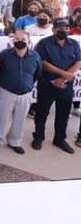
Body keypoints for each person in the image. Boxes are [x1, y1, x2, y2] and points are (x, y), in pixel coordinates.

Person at [0, 31, 41, 155]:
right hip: (6, 92)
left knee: (20, 119)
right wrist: (2, 84)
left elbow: (37, 73)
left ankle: (15, 141)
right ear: (13, 40)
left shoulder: (35, 56)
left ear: (29, 41)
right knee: (0, 117)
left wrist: (27, 85)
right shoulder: (3, 55)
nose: (20, 41)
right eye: (17, 39)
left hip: (25, 94)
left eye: (23, 39)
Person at [33, 18, 81, 153]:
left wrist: (63, 78)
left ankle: (59, 139)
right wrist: (62, 74)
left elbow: (78, 62)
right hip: (47, 83)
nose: (64, 30)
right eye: (61, 28)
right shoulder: (44, 43)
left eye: (67, 28)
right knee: (42, 112)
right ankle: (38, 137)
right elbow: (42, 62)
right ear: (54, 29)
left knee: (63, 113)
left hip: (65, 85)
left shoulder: (74, 44)